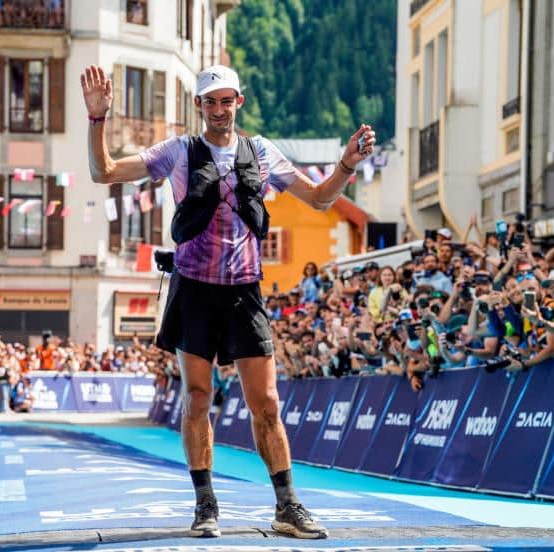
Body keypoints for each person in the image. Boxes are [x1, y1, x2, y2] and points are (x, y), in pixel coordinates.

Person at [81, 63, 376, 539]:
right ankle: (205, 504)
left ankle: (287, 506)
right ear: (198, 106)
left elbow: (321, 199)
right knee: (198, 399)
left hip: (244, 291)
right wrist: (97, 121)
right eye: (209, 102)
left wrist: (345, 164)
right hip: (194, 289)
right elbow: (104, 173)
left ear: (239, 102)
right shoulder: (178, 151)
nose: (219, 110)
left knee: (267, 403)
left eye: (226, 100)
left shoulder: (261, 152)